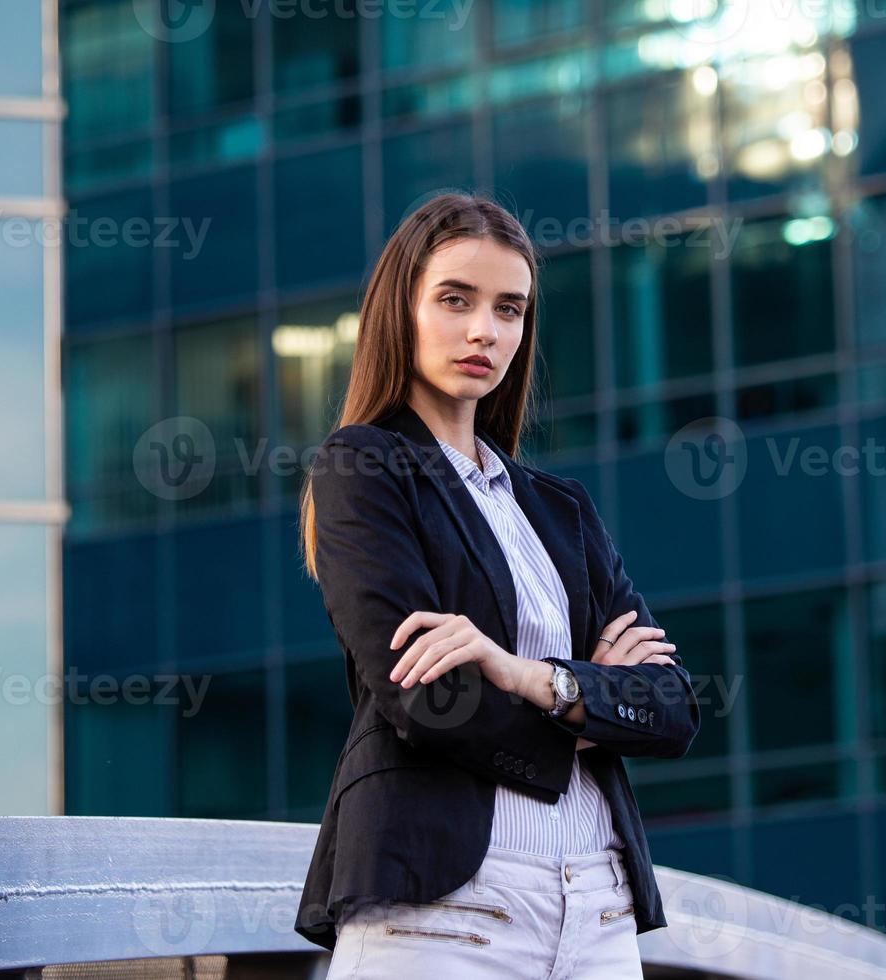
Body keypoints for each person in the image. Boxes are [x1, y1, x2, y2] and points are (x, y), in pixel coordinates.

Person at [293, 192, 701, 978]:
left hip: (599, 908)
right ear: (399, 312)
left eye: (509, 309)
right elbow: (423, 698)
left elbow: (674, 707)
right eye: (455, 300)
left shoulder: (560, 509)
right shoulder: (363, 467)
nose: (485, 330)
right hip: (443, 911)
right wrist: (590, 703)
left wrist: (525, 676)